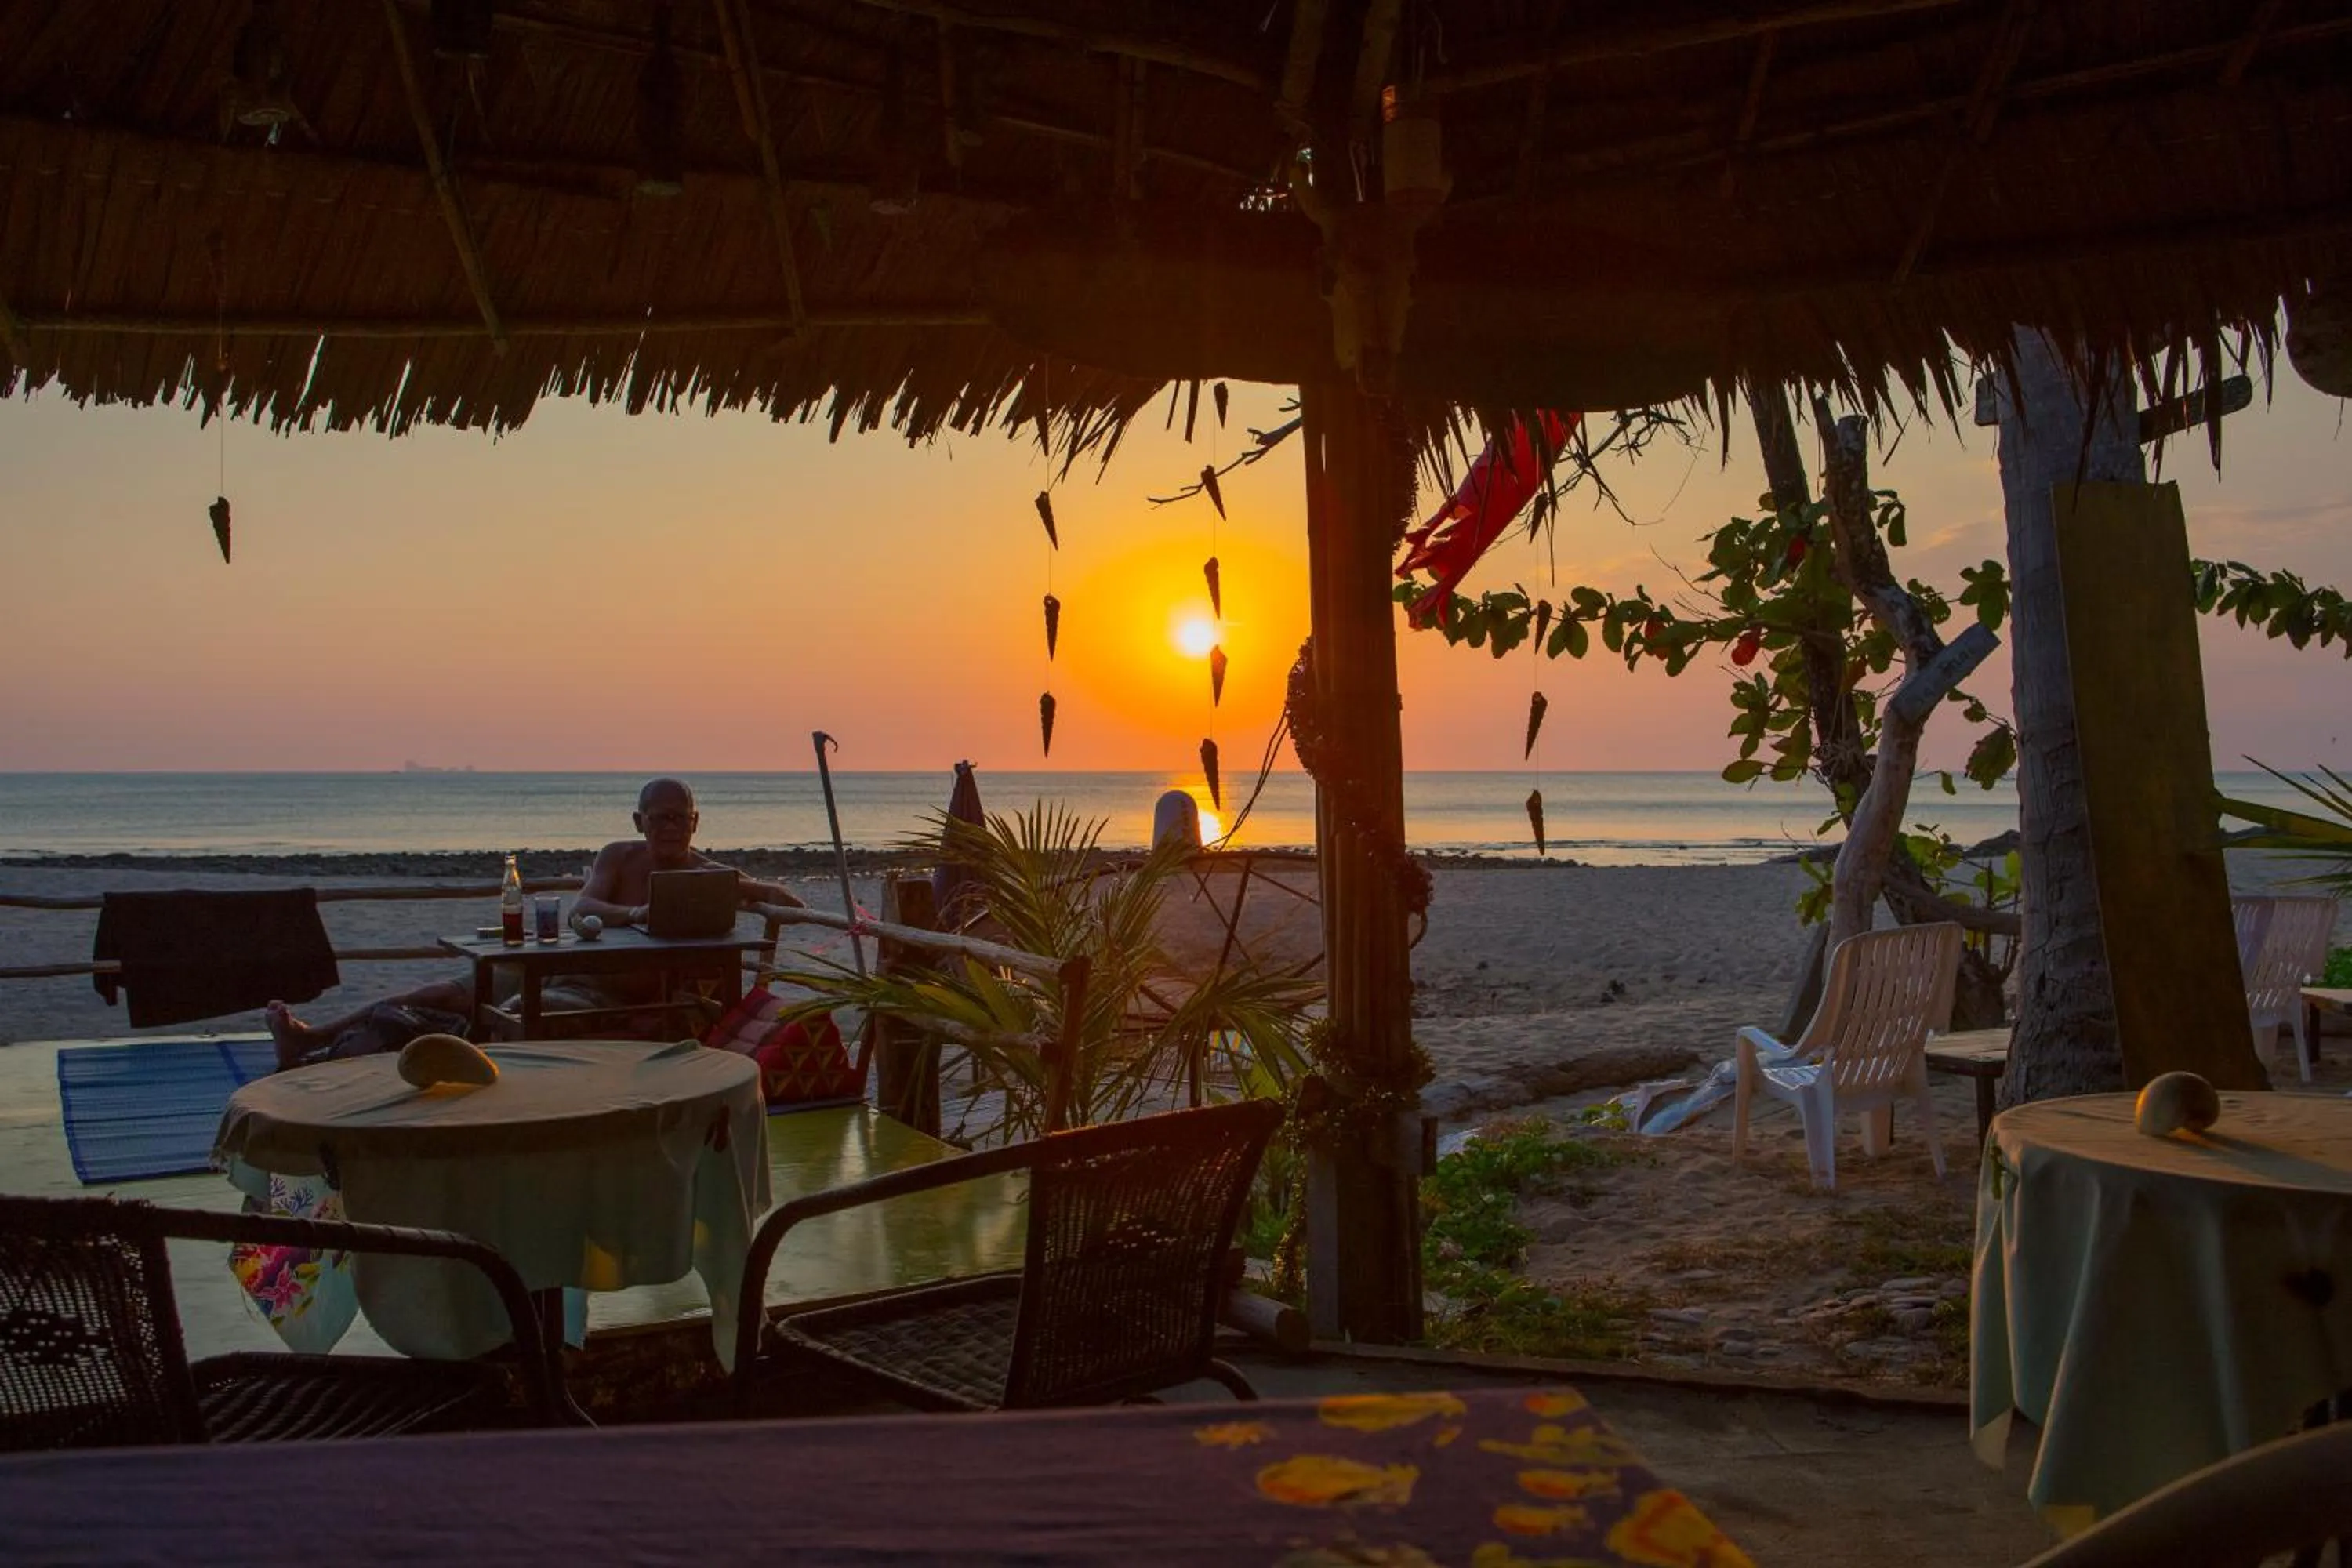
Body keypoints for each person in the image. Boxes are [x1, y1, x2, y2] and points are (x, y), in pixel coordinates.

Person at [265, 776, 803, 1068]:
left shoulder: (707, 874)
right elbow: (583, 909)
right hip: (568, 967)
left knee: (512, 1012)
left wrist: (758, 891)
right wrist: (636, 913)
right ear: (639, 822)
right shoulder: (619, 856)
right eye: (658, 818)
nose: (669, 828)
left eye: (679, 818)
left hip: (620, 996)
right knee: (452, 989)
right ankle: (314, 1037)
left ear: (695, 822)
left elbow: (775, 899)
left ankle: (450, 1068)